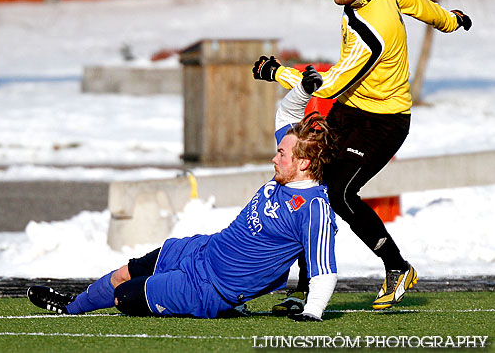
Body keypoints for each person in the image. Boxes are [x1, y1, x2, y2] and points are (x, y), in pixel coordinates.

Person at [252, 0, 472, 311]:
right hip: (350, 111)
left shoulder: (370, 34)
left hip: (383, 123)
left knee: (338, 192)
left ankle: (397, 267)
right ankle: (305, 288)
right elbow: (420, 5)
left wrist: (276, 72)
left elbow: (328, 84)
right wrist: (450, 20)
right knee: (308, 182)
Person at [28, 70, 338, 321]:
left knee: (125, 296)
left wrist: (312, 312)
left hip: (208, 289)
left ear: (303, 163)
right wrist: (302, 90)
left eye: (281, 154)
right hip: (202, 248)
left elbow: (324, 269)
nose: (274, 158)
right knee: (127, 272)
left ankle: (223, 307)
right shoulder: (287, 172)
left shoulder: (313, 208)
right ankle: (71, 307)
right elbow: (286, 112)